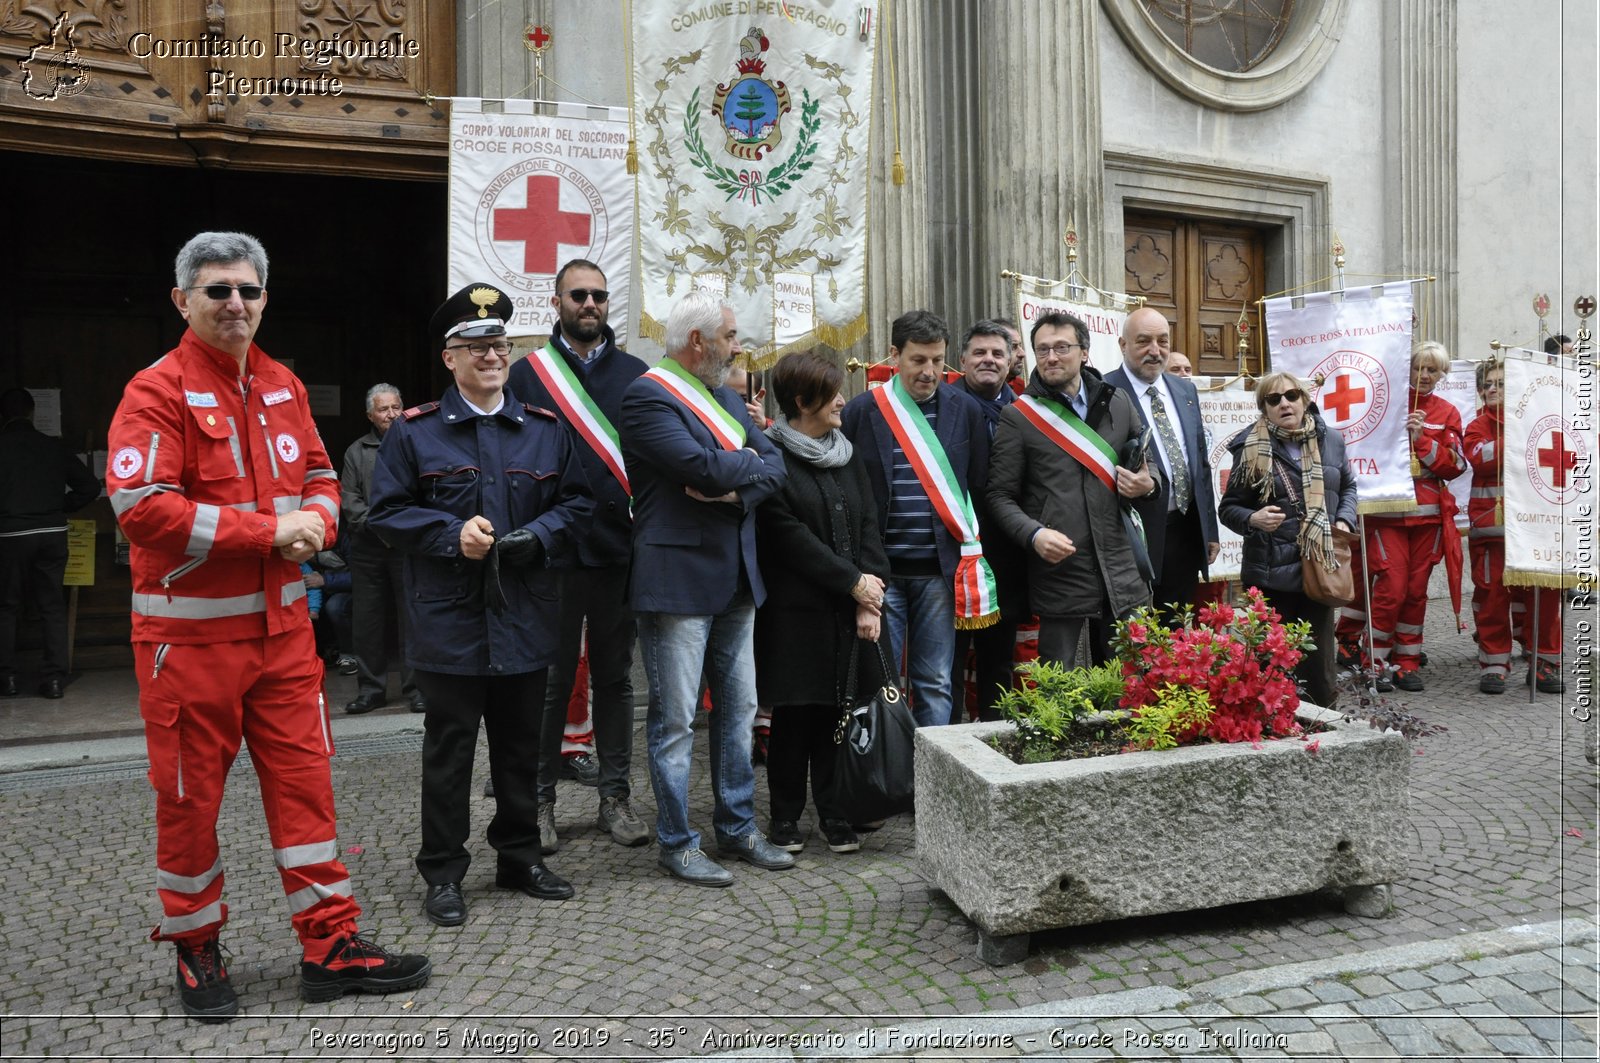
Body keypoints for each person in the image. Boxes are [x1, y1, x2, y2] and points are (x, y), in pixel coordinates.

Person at [104, 231, 429, 1022]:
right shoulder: (156, 390)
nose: (235, 303)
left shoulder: (282, 383)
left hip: (285, 644)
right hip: (191, 651)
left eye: (248, 290)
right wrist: (267, 534)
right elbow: (140, 507)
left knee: (307, 794)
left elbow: (320, 473)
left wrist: (319, 519)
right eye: (217, 290)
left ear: (264, 300)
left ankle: (330, 946)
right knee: (189, 806)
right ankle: (196, 947)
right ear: (183, 301)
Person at [367, 283, 594, 928]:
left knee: (522, 749)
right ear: (450, 358)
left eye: (498, 345)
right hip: (450, 622)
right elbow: (384, 514)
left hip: (524, 615)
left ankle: (520, 858)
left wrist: (539, 536)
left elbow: (578, 504)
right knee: (450, 753)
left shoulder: (547, 433)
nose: (490, 356)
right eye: (475, 346)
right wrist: (450, 536)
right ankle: (443, 871)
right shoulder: (414, 434)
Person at [619, 290, 792, 886]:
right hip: (677, 581)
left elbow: (775, 466)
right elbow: (698, 469)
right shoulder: (646, 397)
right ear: (700, 342)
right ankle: (677, 841)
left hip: (737, 576)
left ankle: (738, 828)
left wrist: (737, 481)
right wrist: (743, 465)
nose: (739, 347)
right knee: (674, 718)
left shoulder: (725, 397)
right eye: (732, 336)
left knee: (740, 710)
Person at [506, 258, 649, 851]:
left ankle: (614, 796)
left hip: (618, 553)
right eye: (578, 295)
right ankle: (539, 803)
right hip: (553, 556)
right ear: (556, 302)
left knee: (616, 681)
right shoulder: (526, 376)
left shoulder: (637, 374)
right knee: (550, 682)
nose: (589, 304)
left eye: (598, 296)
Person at [754, 352, 890, 854]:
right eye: (832, 393)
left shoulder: (847, 453)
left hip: (848, 614)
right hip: (794, 615)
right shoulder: (771, 455)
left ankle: (837, 814)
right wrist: (852, 583)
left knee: (841, 714)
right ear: (801, 400)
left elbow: (870, 526)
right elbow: (787, 536)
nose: (841, 401)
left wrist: (868, 599)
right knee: (793, 721)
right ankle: (785, 820)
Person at [841, 310, 993, 728]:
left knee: (934, 682)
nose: (930, 372)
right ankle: (886, 779)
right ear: (894, 355)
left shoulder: (965, 410)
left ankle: (934, 784)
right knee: (880, 682)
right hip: (879, 575)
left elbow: (978, 484)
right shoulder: (861, 412)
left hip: (939, 575)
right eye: (918, 360)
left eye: (938, 361)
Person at [987, 310, 1156, 667]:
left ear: (1084, 352)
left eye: (1062, 347)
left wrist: (1147, 482)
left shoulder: (1119, 401)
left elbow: (1148, 464)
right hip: (1062, 570)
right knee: (1062, 691)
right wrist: (1034, 535)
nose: (1051, 357)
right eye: (1042, 349)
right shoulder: (1019, 416)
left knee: (1132, 680)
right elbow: (999, 496)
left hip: (1122, 566)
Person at [1217, 372, 1359, 706]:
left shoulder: (1332, 440)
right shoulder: (1248, 446)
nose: (1284, 403)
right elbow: (1229, 508)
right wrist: (1253, 518)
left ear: (1305, 400)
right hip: (1272, 573)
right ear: (1263, 407)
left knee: (1319, 663)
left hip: (1320, 567)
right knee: (1272, 665)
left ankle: (1324, 729)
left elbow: (1349, 486)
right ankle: (1276, 731)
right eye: (1273, 399)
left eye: (1292, 395)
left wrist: (1343, 518)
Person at [1362, 342, 1465, 691]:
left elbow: (1456, 466)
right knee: (1391, 587)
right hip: (1387, 514)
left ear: (1442, 374)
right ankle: (1373, 662)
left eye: (1433, 370)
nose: (1424, 375)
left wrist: (1422, 441)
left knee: (1416, 591)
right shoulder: (1386, 403)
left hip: (1428, 518)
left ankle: (1406, 662)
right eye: (1418, 368)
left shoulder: (1448, 411)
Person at [1105, 308, 1220, 621]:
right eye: (1143, 341)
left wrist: (1209, 529)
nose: (1155, 351)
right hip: (1135, 536)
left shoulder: (1185, 390)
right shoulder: (1103, 392)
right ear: (1123, 345)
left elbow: (1199, 463)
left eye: (1162, 341)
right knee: (1132, 637)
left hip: (1185, 531)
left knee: (1178, 632)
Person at [1463, 359, 1564, 694]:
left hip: (1539, 529)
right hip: (1492, 531)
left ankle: (1545, 664)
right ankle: (1494, 664)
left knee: (1546, 598)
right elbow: (1481, 458)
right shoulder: (1477, 426)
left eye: (1502, 383)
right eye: (1488, 384)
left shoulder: (1544, 424)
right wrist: (1523, 433)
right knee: (1491, 597)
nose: (1494, 389)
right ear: (1480, 391)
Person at [949, 320, 1026, 721]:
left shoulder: (1027, 411)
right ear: (962, 360)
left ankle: (995, 744)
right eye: (979, 352)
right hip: (955, 556)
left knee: (998, 663)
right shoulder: (942, 406)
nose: (988, 360)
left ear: (1012, 360)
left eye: (998, 353)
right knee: (949, 667)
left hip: (1007, 557)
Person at [0, 387, 99, 698]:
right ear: (31, 412)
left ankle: (7, 679)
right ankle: (54, 679)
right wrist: (60, 507)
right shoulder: (52, 447)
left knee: (6, 607)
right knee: (52, 606)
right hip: (52, 533)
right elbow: (90, 486)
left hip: (10, 535)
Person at [341, 383, 422, 714]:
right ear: (369, 415)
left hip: (407, 547)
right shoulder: (356, 451)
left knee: (413, 619)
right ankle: (371, 690)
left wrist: (401, 526)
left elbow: (423, 493)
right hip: (368, 548)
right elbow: (349, 500)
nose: (391, 414)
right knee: (368, 622)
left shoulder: (417, 443)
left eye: (395, 407)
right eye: (383, 409)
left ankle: (417, 689)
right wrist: (382, 525)